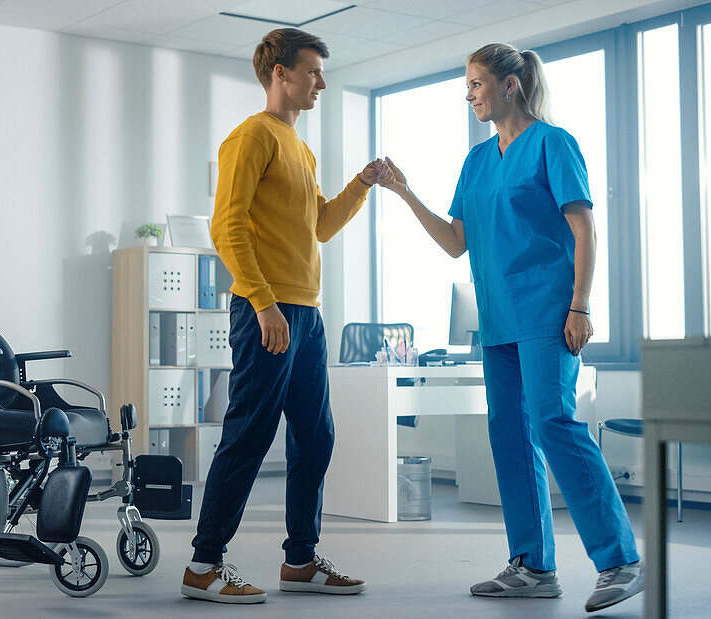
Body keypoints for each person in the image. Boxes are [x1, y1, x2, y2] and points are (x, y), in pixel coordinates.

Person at [373, 43, 642, 613]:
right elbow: (454, 242)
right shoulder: (475, 162)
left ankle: (620, 558)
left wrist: (581, 306)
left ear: (509, 85)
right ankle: (532, 565)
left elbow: (584, 230)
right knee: (510, 437)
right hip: (497, 322)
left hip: (548, 312)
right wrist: (403, 192)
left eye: (475, 84)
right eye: (467, 85)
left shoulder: (553, 144)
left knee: (553, 424)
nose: (468, 94)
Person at [181, 28, 377, 605]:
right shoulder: (251, 138)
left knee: (316, 437)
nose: (321, 81)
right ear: (279, 74)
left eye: (321, 71)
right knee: (251, 433)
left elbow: (318, 227)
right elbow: (227, 227)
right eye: (312, 70)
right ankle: (203, 564)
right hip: (265, 309)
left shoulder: (301, 148)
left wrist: (361, 185)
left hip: (306, 312)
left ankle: (300, 558)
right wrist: (263, 302)